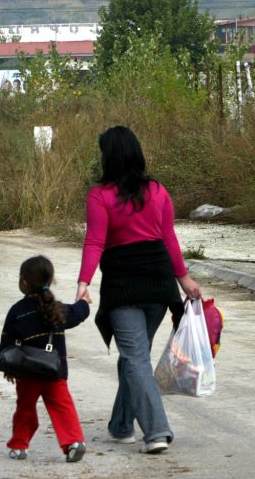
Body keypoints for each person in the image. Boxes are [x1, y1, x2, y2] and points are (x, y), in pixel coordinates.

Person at [76, 126, 201, 455]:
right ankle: (120, 425)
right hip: (159, 284)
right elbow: (168, 238)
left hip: (124, 285)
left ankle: (157, 430)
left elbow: (95, 242)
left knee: (134, 358)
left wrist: (84, 282)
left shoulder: (100, 196)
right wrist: (182, 279)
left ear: (109, 157)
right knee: (135, 358)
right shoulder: (157, 190)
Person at [0, 255, 90, 462]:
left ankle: (19, 445)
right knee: (63, 407)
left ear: (24, 282)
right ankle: (74, 442)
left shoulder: (17, 311)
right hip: (54, 371)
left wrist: (8, 369)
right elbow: (77, 314)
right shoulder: (56, 309)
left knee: (25, 409)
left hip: (27, 372)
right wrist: (84, 302)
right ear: (50, 281)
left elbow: (7, 341)